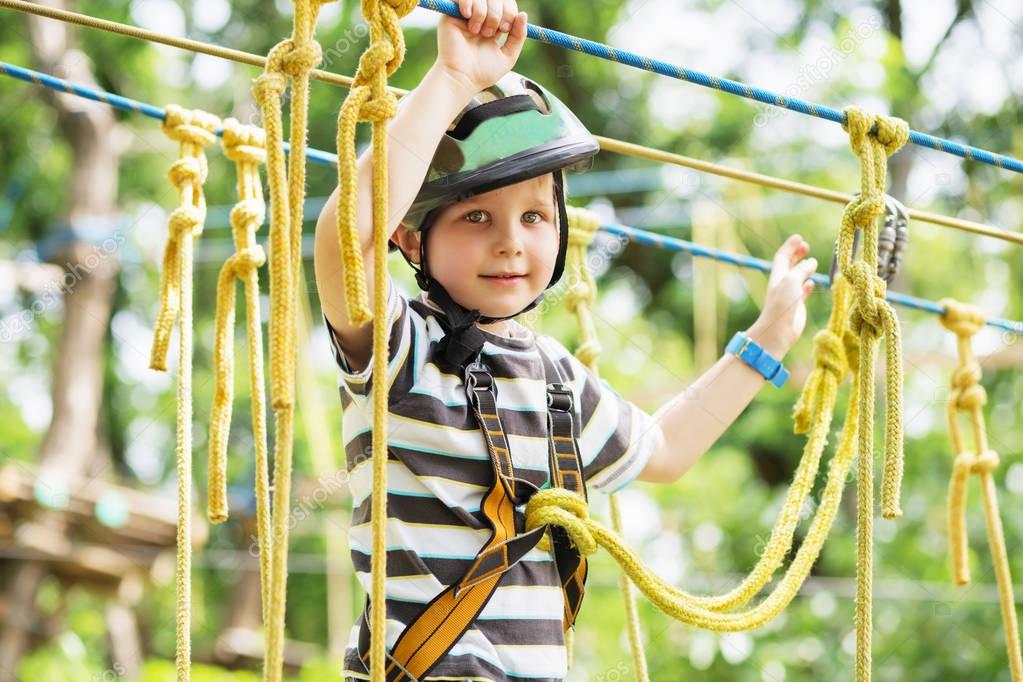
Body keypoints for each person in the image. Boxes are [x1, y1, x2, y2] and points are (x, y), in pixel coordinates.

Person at [313, 1, 818, 679]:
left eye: (533, 216)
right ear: (410, 237)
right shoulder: (403, 347)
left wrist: (767, 339)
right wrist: (453, 78)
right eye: (475, 216)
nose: (509, 242)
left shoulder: (555, 377)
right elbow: (349, 239)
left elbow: (663, 450)